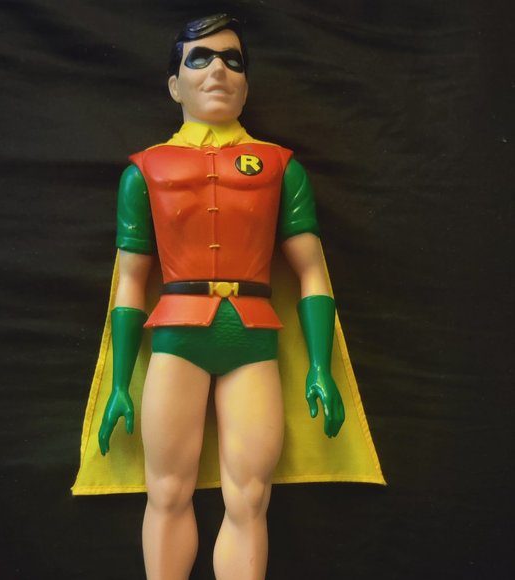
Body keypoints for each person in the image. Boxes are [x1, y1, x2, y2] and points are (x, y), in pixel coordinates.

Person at [98, 14, 345, 580]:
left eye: (233, 60)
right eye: (200, 58)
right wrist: (118, 382)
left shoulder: (281, 167)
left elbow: (312, 271)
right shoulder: (144, 171)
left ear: (247, 84)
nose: (218, 70)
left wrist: (321, 366)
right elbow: (130, 281)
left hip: (251, 337)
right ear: (174, 84)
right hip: (177, 335)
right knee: (165, 490)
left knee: (251, 496)